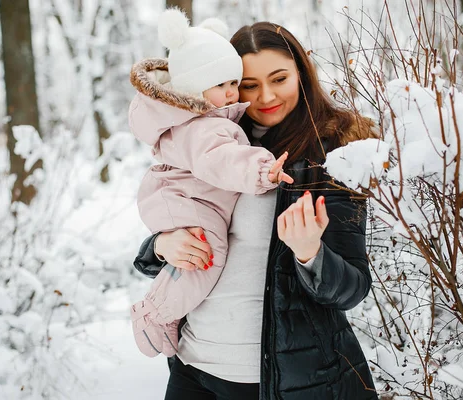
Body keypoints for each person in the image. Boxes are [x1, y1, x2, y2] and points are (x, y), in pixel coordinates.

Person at [133, 19, 380, 400]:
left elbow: (351, 289)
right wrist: (162, 245)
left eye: (279, 78)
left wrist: (310, 253)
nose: (265, 96)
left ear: (301, 74)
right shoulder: (211, 140)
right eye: (248, 84)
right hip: (192, 370)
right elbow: (175, 216)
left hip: (279, 382)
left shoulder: (330, 155)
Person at [129, 9, 293, 358]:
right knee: (207, 254)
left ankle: (162, 311)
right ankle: (156, 313)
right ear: (194, 86)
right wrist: (264, 170)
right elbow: (220, 159)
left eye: (235, 83)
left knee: (199, 257)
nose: (235, 94)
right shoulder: (205, 125)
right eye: (225, 85)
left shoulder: (207, 120)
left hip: (186, 199)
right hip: (186, 201)